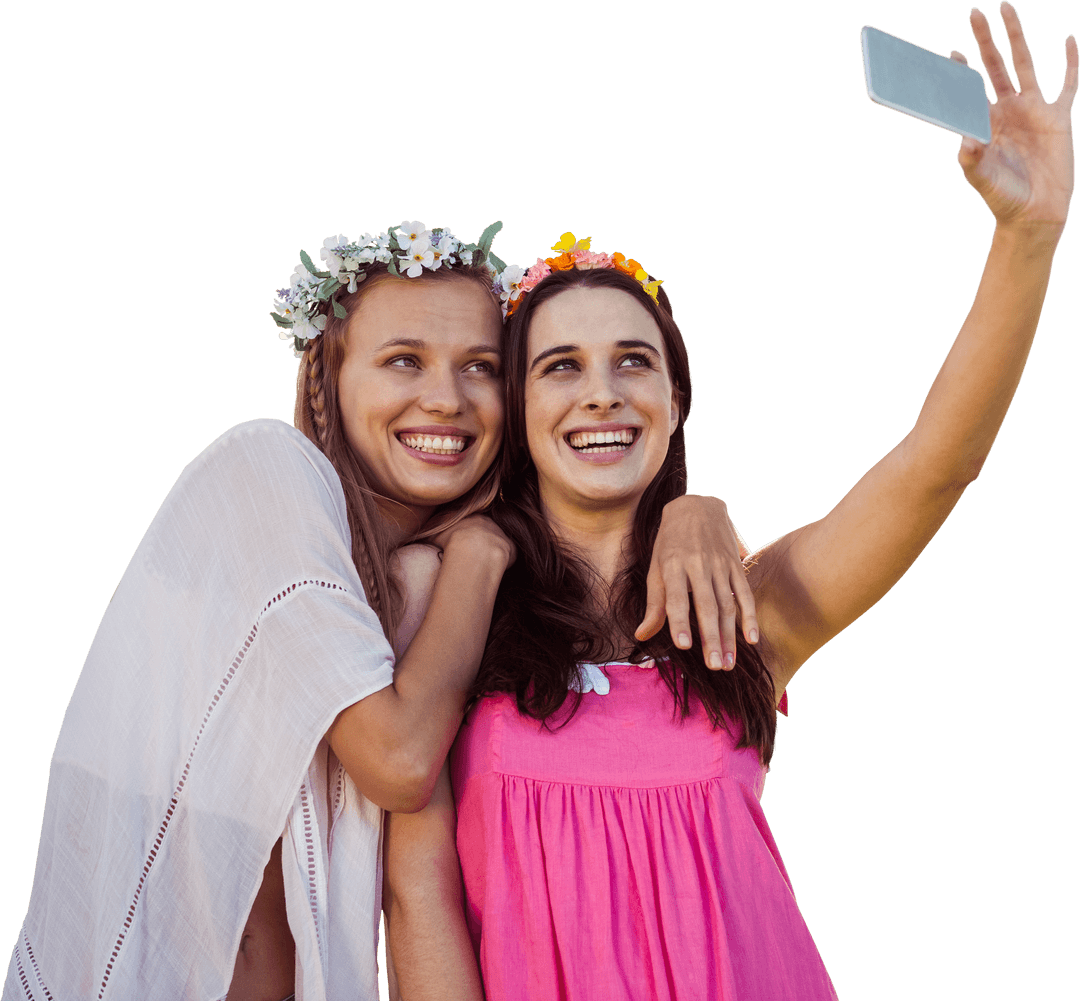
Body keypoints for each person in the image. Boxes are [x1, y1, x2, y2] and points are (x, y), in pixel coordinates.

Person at [383, 5, 1077, 997]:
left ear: (676, 400)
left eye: (634, 361)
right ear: (516, 406)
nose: (600, 392)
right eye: (560, 366)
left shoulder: (751, 612)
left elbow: (935, 467)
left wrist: (1029, 239)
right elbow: (419, 898)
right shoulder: (454, 611)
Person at [2, 220, 751, 1001]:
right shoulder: (265, 473)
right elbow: (397, 761)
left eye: (481, 367)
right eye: (404, 360)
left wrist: (693, 510)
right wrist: (483, 550)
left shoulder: (430, 596)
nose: (445, 399)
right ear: (327, 375)